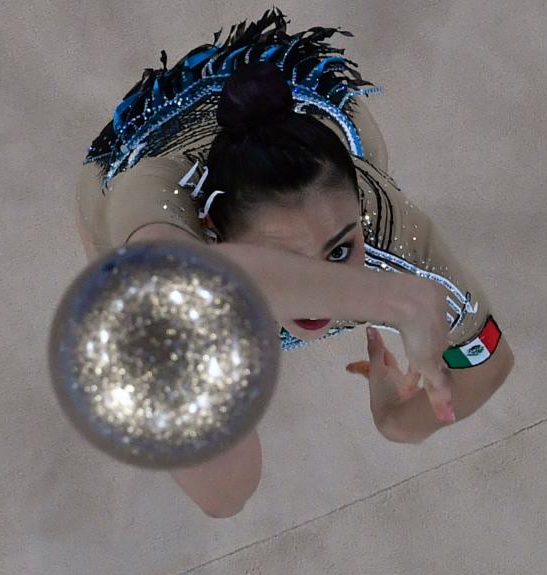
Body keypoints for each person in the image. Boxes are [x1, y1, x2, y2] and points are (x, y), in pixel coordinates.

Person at [75, 8, 514, 517]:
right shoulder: (151, 190)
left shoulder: (390, 234)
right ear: (213, 236)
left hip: (311, 106)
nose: (319, 288)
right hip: (143, 138)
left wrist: (397, 419)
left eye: (339, 250)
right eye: (284, 262)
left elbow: (487, 364)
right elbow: (225, 494)